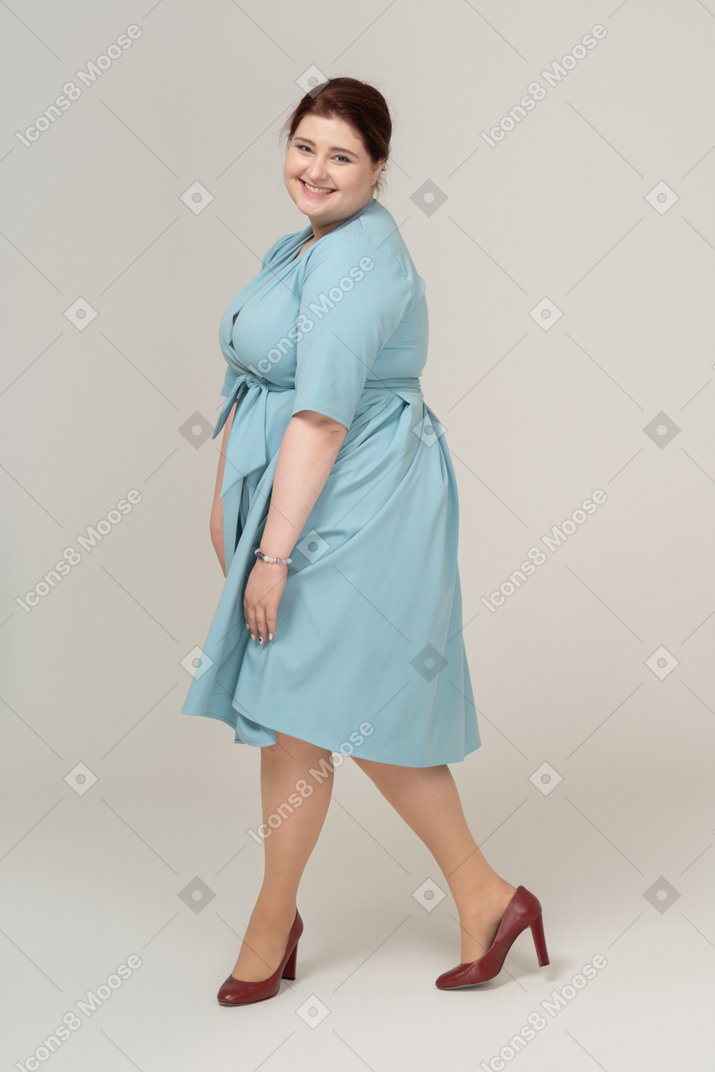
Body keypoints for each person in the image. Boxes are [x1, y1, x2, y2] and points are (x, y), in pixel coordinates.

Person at [180, 77, 549, 1005]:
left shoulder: (358, 260)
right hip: (314, 496)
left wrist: (270, 553)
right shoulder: (305, 241)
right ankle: (474, 899)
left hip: (363, 496)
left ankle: (441, 899)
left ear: (379, 170)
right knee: (300, 703)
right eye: (303, 146)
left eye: (340, 155)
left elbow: (318, 418)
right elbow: (255, 377)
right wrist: (231, 504)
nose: (315, 168)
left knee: (334, 700)